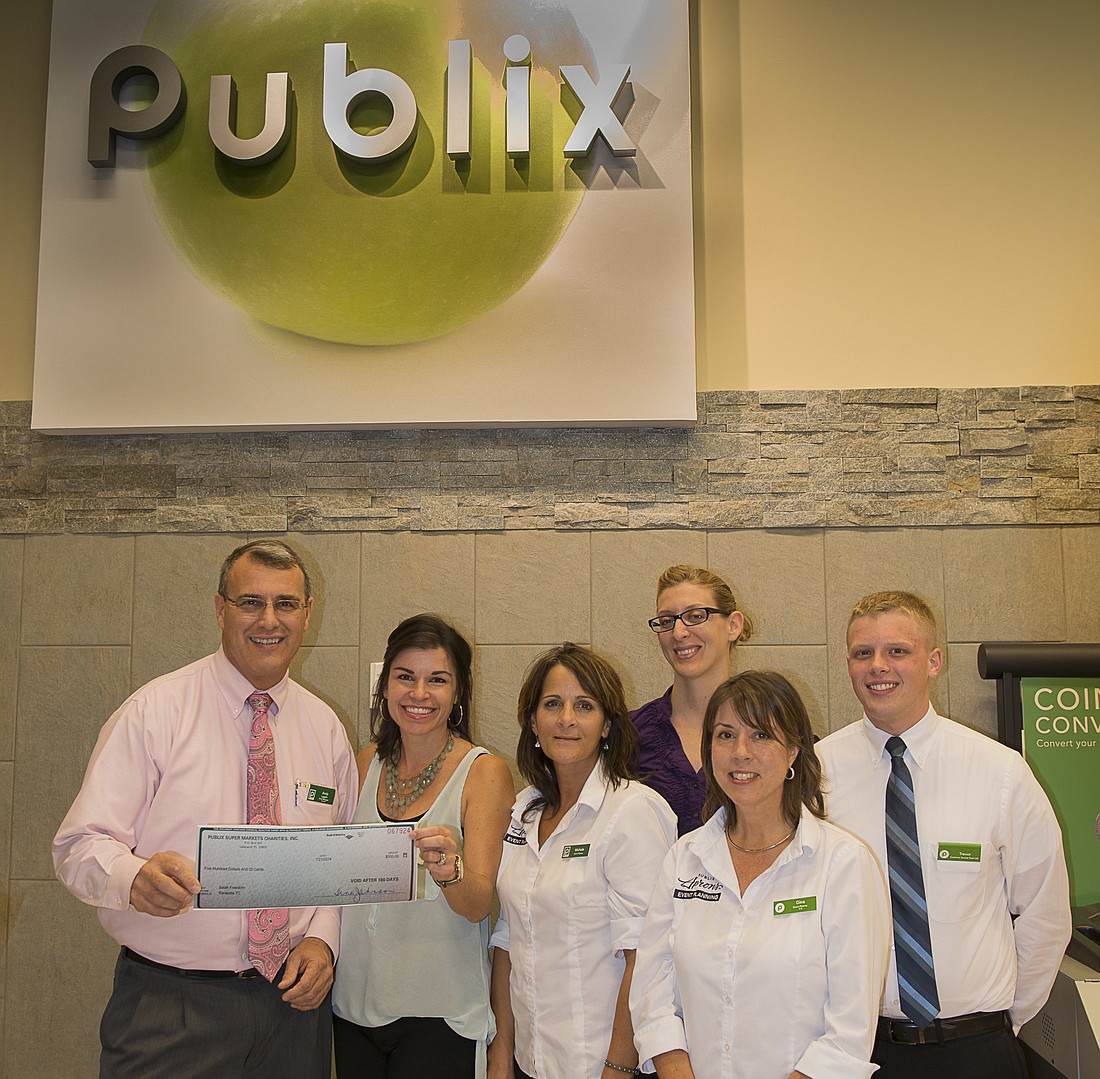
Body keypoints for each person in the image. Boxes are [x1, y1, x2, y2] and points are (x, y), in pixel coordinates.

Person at [52, 538, 358, 1079]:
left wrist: (322, 939)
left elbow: (337, 859)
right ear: (220, 608)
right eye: (250, 602)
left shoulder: (324, 728)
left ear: (307, 615)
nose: (269, 620)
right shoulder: (155, 712)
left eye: (286, 604)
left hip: (292, 1012)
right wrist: (132, 876)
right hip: (172, 1008)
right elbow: (78, 846)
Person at [816, 590, 1072, 1079]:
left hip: (977, 1051)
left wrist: (1003, 1021)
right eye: (862, 653)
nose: (878, 666)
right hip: (858, 1053)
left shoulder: (1000, 771)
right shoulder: (816, 774)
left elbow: (1044, 911)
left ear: (934, 661)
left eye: (897, 651)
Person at [631, 670, 889, 1079]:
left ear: (793, 752)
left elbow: (849, 1031)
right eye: (725, 735)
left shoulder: (842, 863)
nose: (741, 752)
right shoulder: (684, 859)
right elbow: (652, 994)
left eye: (762, 735)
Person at [333, 614, 515, 1079]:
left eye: (437, 680)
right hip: (353, 1008)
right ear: (385, 686)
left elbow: (478, 905)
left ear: (457, 693)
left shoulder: (483, 771)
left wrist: (449, 869)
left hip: (439, 1014)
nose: (419, 694)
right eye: (405, 677)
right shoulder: (367, 760)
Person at [488, 644, 677, 1079]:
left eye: (584, 705)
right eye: (552, 704)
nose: (566, 719)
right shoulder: (522, 810)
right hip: (530, 1062)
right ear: (533, 721)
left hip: (601, 1066)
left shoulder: (633, 812)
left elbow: (645, 958)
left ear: (607, 724)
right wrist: (501, 1055)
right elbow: (507, 938)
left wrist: (617, 1068)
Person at [631, 565, 752, 836]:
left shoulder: (775, 729)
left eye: (696, 616)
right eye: (666, 621)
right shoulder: (629, 734)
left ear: (733, 625)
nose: (679, 632)